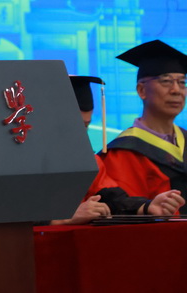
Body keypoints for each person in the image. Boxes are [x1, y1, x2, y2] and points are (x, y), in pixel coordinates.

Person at [49, 75, 183, 225]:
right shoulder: (28, 162)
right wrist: (62, 218)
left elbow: (113, 199)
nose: (80, 136)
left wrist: (147, 207)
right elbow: (26, 210)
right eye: (73, 126)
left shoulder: (87, 160)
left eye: (85, 126)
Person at [99, 40, 187, 215]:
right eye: (166, 81)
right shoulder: (124, 151)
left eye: (182, 82)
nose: (176, 90)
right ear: (141, 90)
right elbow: (124, 212)